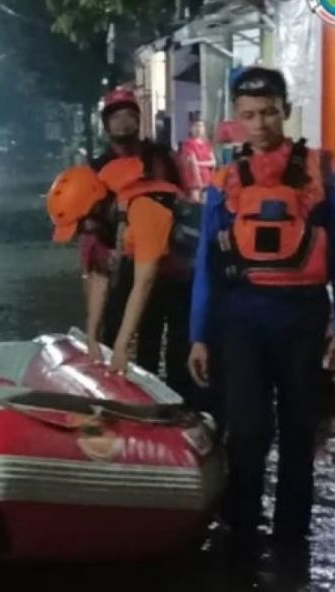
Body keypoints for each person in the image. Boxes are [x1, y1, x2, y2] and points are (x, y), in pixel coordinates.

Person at [186, 67, 335, 546]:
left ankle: (291, 536)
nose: (258, 124)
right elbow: (207, 261)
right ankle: (242, 530)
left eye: (267, 113)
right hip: (241, 319)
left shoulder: (324, 171)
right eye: (247, 115)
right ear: (235, 119)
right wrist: (199, 333)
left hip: (302, 315)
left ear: (284, 110)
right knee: (247, 428)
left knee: (301, 429)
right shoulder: (226, 178)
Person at [85, 88, 196, 401]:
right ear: (106, 125)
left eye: (129, 116)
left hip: (172, 266)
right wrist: (94, 335)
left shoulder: (163, 159)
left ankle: (179, 408)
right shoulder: (97, 170)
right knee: (128, 339)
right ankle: (126, 399)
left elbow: (185, 199)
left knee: (178, 348)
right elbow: (95, 263)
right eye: (116, 117)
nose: (123, 123)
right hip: (128, 263)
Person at [180, 115, 217, 204]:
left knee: (206, 203)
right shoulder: (188, 144)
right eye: (197, 126)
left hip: (207, 178)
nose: (199, 128)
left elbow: (213, 162)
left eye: (201, 126)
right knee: (196, 204)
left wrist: (199, 163)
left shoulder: (207, 144)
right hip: (193, 178)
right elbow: (192, 162)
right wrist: (198, 179)